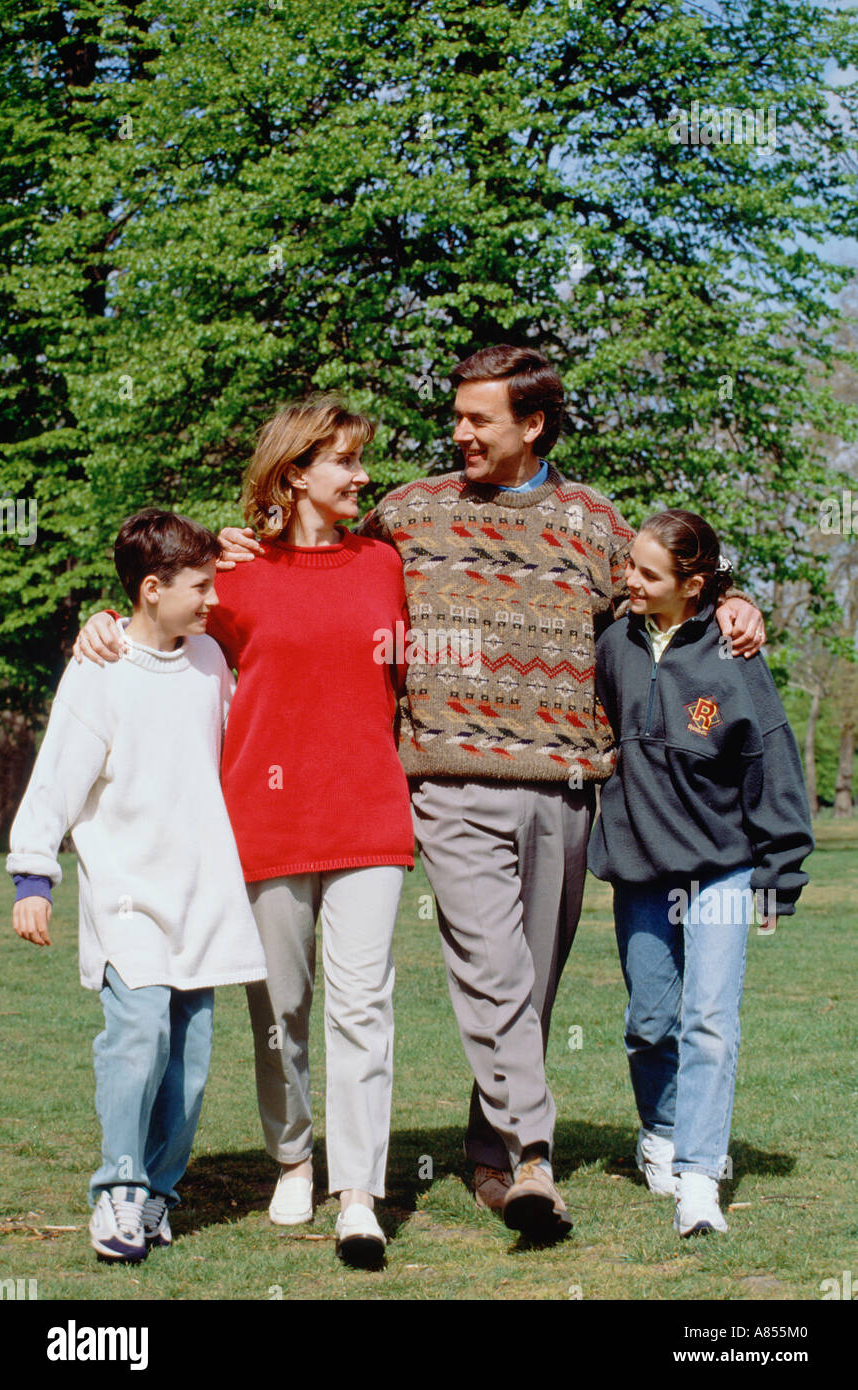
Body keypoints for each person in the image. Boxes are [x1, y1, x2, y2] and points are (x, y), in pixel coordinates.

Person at [214, 346, 767, 1242]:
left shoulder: (592, 520)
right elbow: (306, 568)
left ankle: (488, 1153)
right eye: (457, 415)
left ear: (533, 424)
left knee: (531, 988)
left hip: (565, 787)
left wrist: (732, 603)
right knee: (492, 971)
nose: (458, 432)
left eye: (479, 419)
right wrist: (236, 542)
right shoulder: (409, 513)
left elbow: (660, 594)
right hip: (447, 782)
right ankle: (536, 1158)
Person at [72, 398, 414, 1267]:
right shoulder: (235, 577)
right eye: (343, 461)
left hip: (370, 815)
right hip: (262, 823)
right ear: (295, 472)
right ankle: (293, 1156)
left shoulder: (385, 563)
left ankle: (359, 1192)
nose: (361, 476)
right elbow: (159, 631)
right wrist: (101, 624)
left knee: (364, 1008)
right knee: (281, 1011)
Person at [7, 509, 267, 1263]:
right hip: (126, 895)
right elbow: (56, 776)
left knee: (188, 1058)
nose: (213, 598)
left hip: (203, 891)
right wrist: (33, 875)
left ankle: (157, 1192)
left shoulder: (211, 660)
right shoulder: (100, 668)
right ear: (152, 590)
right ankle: (117, 1189)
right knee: (138, 1034)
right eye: (199, 586)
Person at [587, 509, 813, 1235]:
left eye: (647, 574)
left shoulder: (734, 653)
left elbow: (770, 764)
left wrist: (779, 872)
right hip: (642, 868)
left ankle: (697, 1177)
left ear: (693, 585)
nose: (629, 581)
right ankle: (658, 1129)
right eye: (628, 566)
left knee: (708, 1020)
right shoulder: (614, 641)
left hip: (720, 869)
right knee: (649, 1022)